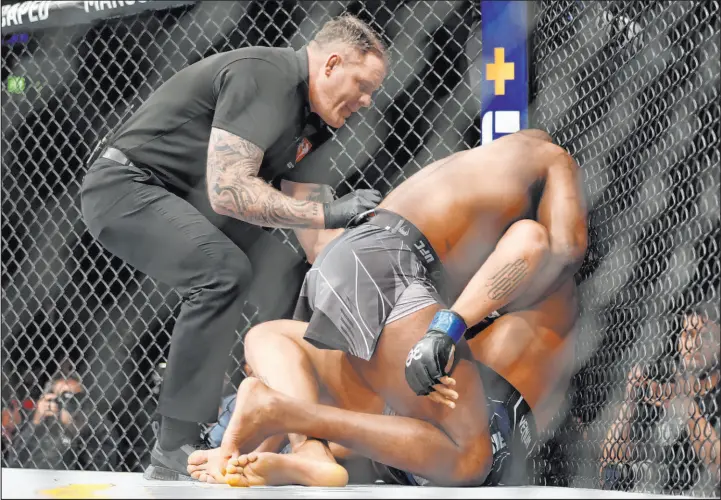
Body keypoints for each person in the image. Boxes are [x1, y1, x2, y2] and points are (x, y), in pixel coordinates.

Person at [185, 129, 588, 486]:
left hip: (350, 257)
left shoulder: (465, 176)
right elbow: (563, 249)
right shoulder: (551, 164)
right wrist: (447, 326)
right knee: (471, 458)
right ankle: (283, 418)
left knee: (268, 334)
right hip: (394, 271)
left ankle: (305, 448)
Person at [79, 14, 388, 480]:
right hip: (127, 186)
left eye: (373, 92)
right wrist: (330, 213)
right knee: (223, 272)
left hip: (186, 201)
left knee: (278, 272)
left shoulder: (316, 120)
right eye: (363, 85)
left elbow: (311, 227)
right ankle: (173, 445)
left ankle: (289, 416)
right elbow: (229, 189)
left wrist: (366, 302)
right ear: (331, 64)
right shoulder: (268, 76)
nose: (367, 101)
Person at [600, 311, 720, 494]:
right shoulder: (659, 385)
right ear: (679, 340)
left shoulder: (715, 398)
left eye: (706, 336)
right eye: (689, 334)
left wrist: (688, 409)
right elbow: (608, 472)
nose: (695, 344)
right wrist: (629, 403)